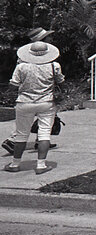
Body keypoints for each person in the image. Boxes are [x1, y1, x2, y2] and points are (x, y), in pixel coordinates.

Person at [4, 40, 64, 174]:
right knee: (44, 133)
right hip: (46, 102)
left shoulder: (22, 67)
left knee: (21, 134)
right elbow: (61, 81)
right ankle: (41, 165)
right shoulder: (54, 66)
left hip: (25, 102)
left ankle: (15, 164)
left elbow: (13, 85)